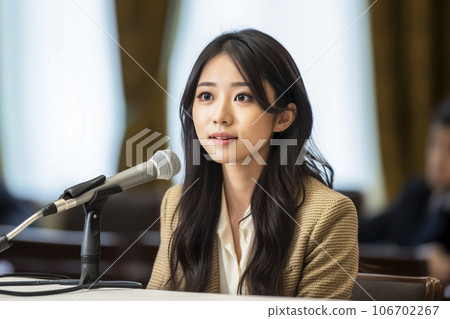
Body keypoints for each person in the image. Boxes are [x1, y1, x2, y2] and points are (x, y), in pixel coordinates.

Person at [147, 29, 358, 299]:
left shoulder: (328, 215)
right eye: (206, 96)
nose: (219, 117)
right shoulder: (178, 203)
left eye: (242, 97)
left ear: (283, 118)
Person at [359, 99, 450, 284]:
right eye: (434, 144)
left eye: (448, 150)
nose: (437, 159)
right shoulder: (417, 192)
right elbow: (373, 228)